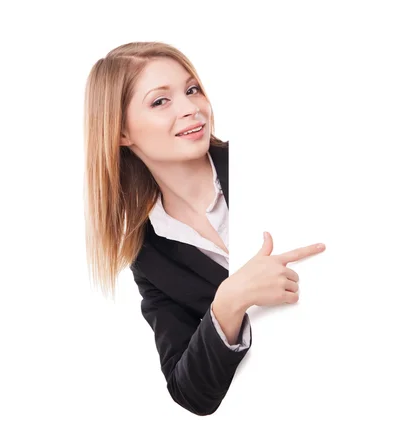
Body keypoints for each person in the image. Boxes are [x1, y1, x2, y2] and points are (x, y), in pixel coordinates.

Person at [82, 41, 326, 416]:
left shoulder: (275, 160)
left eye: (191, 89)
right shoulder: (150, 257)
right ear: (121, 134)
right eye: (160, 101)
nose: (191, 108)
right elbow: (190, 392)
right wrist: (229, 300)